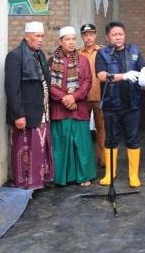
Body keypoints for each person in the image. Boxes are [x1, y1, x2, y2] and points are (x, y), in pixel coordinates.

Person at [4, 21, 54, 190]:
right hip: (26, 113)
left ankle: (37, 181)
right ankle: (24, 183)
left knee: (39, 148)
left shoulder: (39, 55)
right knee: (24, 149)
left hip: (41, 111)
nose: (40, 40)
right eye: (37, 36)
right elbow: (12, 89)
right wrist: (18, 114)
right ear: (27, 36)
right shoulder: (15, 56)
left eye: (42, 36)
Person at [95, 21, 144, 188]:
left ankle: (134, 175)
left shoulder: (134, 51)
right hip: (111, 104)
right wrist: (123, 76)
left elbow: (143, 71)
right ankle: (110, 173)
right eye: (114, 34)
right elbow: (101, 76)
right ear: (108, 37)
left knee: (133, 139)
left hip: (132, 104)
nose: (118, 37)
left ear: (125, 35)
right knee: (111, 139)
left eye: (120, 34)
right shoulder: (102, 53)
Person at [49, 26, 95, 187]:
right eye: (67, 39)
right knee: (61, 145)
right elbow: (49, 85)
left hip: (78, 108)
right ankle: (61, 177)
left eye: (73, 39)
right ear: (60, 41)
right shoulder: (52, 61)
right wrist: (64, 98)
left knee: (81, 144)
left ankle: (83, 176)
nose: (71, 42)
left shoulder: (83, 60)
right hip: (59, 110)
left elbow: (88, 81)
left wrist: (74, 97)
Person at [78, 23, 106, 167]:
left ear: (95, 35)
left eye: (91, 34)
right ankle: (85, 160)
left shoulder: (103, 51)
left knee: (101, 129)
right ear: (82, 36)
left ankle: (103, 159)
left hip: (100, 96)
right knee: (83, 130)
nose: (89, 37)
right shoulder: (77, 53)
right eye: (85, 35)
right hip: (83, 98)